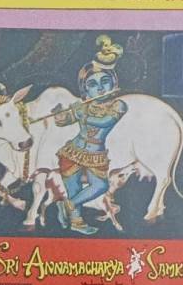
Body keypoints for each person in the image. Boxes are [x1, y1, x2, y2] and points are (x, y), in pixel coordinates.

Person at [52, 38, 127, 234]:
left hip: (96, 154)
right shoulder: (83, 105)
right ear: (85, 90)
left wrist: (81, 114)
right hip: (73, 150)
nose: (100, 88)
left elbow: (105, 122)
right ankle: (77, 223)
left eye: (105, 82)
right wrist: (60, 115)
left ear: (114, 83)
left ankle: (67, 204)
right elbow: (64, 121)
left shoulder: (118, 105)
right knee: (74, 188)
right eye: (93, 85)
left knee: (100, 186)